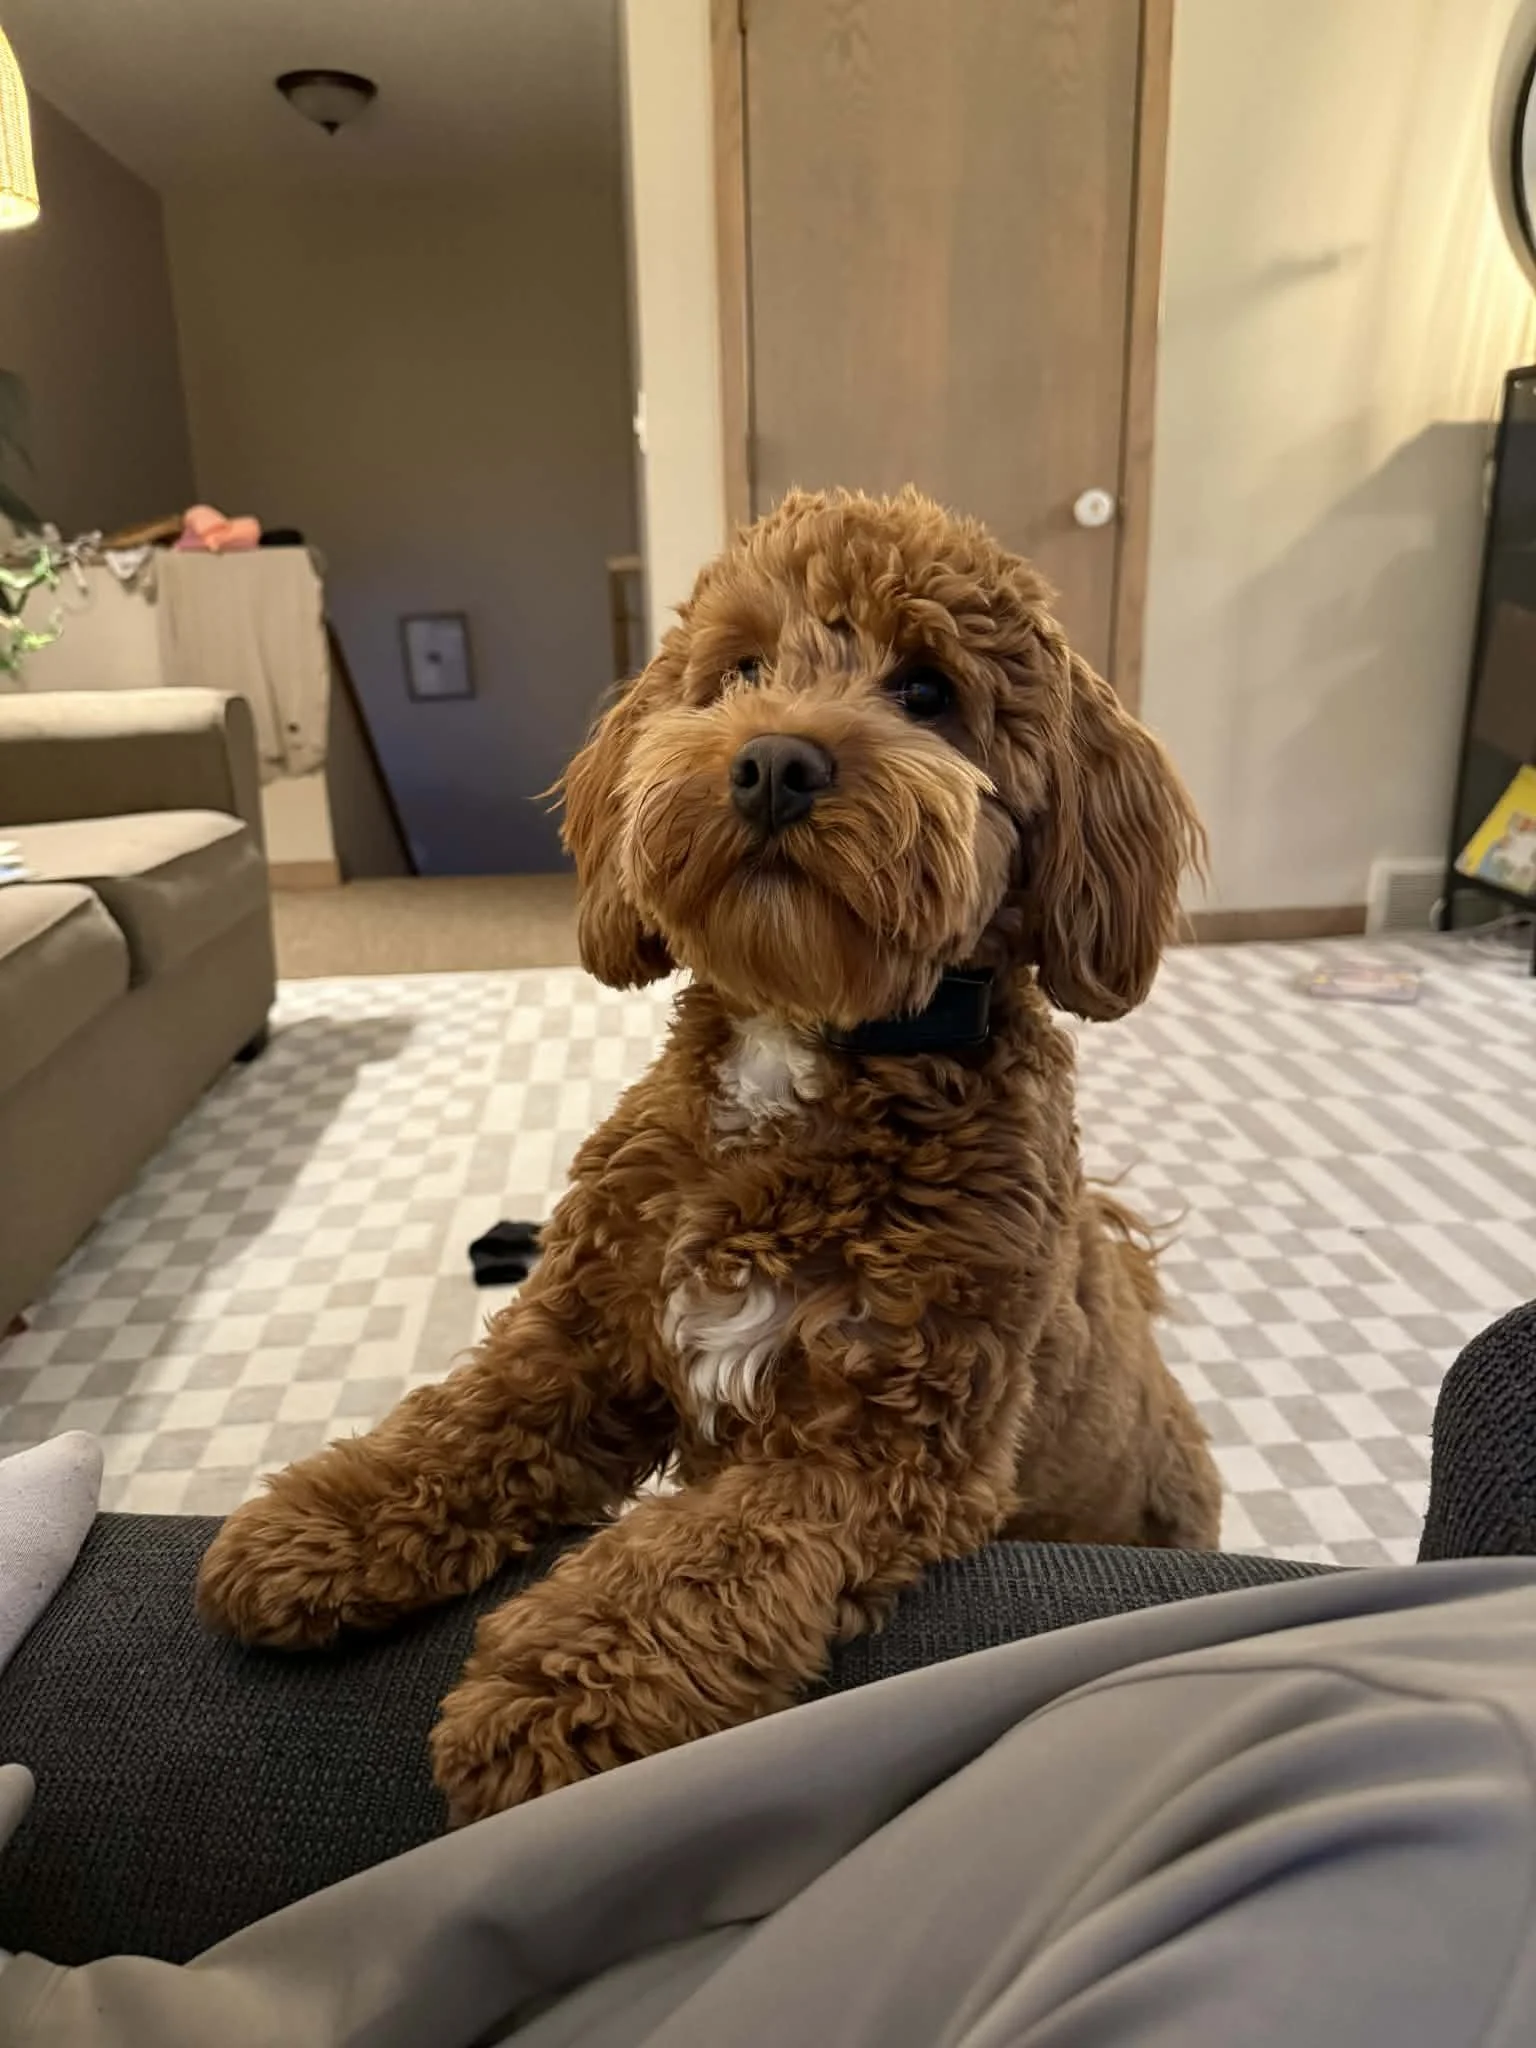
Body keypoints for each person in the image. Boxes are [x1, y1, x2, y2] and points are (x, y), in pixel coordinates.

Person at [1, 1304, 1534, 2046]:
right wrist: (413, 1493)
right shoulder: (666, 1131)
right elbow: (577, 1369)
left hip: (1076, 1528)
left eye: (923, 702)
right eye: (736, 676)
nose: (785, 750)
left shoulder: (985, 1162)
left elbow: (904, 1469)